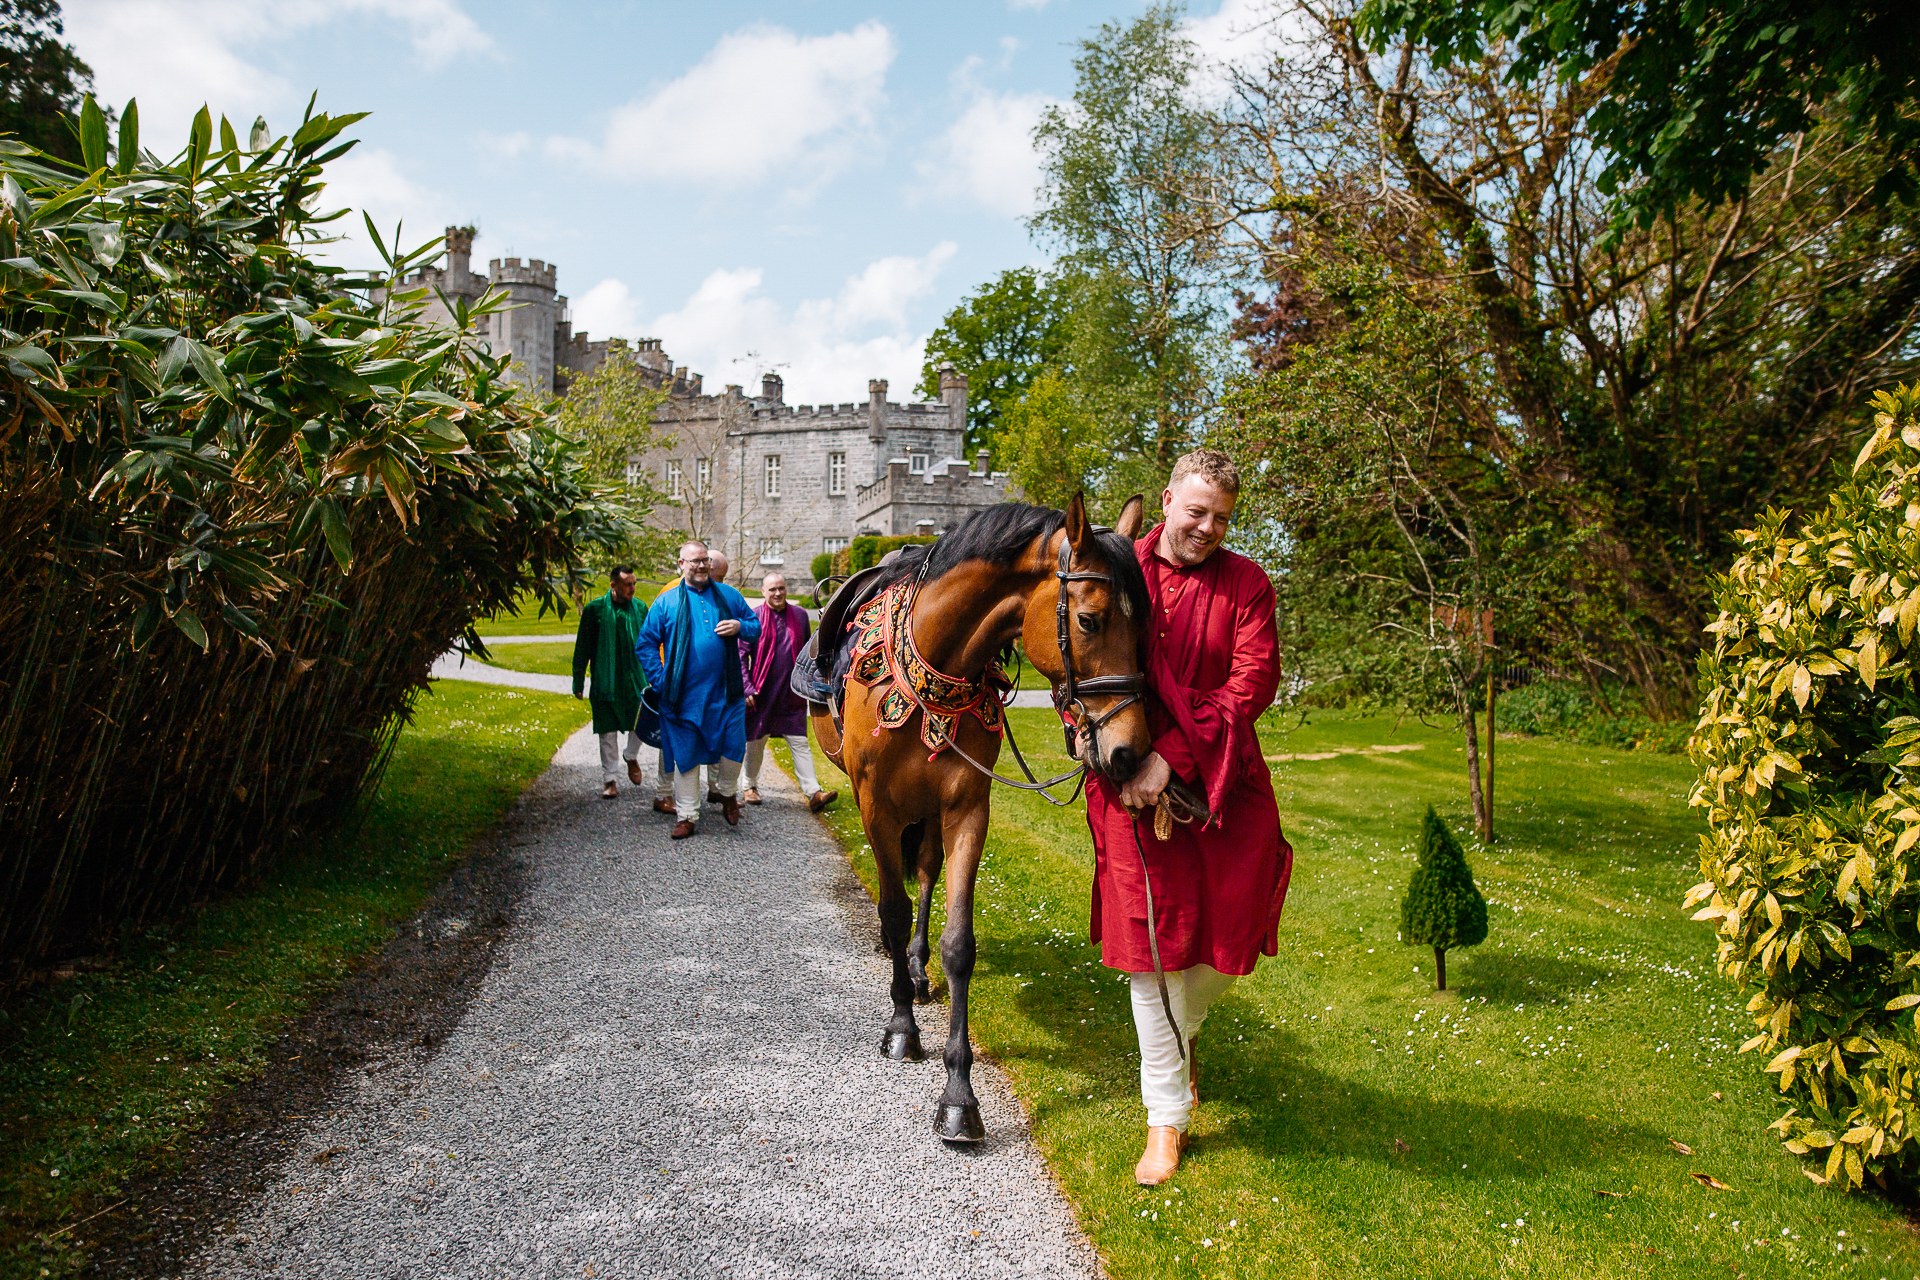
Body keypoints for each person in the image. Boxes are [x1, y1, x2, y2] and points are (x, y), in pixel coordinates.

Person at [1083, 449, 1292, 1186]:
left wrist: (1172, 757)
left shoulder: (1248, 584)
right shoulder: (1118, 568)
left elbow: (1252, 683)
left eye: (1222, 519)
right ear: (1169, 500)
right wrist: (1104, 746)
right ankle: (1165, 1118)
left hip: (1223, 782)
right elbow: (1082, 659)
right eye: (1196, 511)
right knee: (1151, 957)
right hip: (1125, 785)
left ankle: (1187, 1031)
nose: (1207, 528)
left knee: (1226, 943)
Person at [636, 541, 761, 839]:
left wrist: (739, 626)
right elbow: (646, 644)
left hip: (726, 694)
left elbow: (755, 626)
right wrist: (662, 681)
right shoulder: (666, 602)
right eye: (694, 561)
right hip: (682, 697)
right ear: (681, 564)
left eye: (704, 560)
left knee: (734, 749)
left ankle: (727, 793)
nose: (701, 566)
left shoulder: (729, 596)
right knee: (686, 756)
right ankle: (687, 815)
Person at [742, 572, 838, 812]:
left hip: (792, 693)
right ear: (763, 592)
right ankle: (749, 786)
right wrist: (746, 687)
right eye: (772, 589)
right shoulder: (753, 618)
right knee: (755, 742)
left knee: (800, 742)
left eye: (781, 588)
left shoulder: (799, 616)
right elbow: (741, 655)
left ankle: (813, 793)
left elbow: (808, 650)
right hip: (761, 693)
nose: (777, 593)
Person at [571, 565, 650, 798]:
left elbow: (649, 645)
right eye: (628, 584)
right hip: (606, 680)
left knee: (641, 722)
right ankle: (610, 779)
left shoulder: (640, 608)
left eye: (634, 583)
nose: (633, 589)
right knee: (607, 731)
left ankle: (631, 755)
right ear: (613, 585)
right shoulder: (594, 610)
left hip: (635, 678)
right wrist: (578, 682)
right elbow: (582, 647)